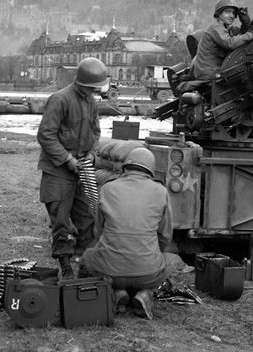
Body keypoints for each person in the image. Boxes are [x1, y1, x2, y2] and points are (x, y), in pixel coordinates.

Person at [79, 147, 174, 319]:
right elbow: (166, 236)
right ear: (150, 170)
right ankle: (145, 293)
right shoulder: (161, 192)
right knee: (174, 260)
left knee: (87, 256)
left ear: (125, 166)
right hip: (148, 274)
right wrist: (151, 253)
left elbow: (97, 232)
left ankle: (117, 291)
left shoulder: (108, 189)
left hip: (110, 272)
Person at [37, 57, 109, 278]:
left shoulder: (92, 102)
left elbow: (96, 133)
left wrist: (91, 154)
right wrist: (68, 160)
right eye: (92, 88)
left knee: (88, 217)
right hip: (58, 170)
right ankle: (65, 265)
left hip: (83, 170)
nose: (95, 92)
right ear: (82, 83)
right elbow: (45, 135)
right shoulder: (59, 100)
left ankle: (86, 265)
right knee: (61, 220)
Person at [190, 0, 253, 81]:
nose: (231, 16)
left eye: (233, 13)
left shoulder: (226, 29)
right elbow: (230, 43)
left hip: (213, 70)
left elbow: (239, 36)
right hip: (209, 73)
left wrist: (245, 23)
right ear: (219, 14)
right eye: (227, 12)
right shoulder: (215, 27)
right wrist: (251, 34)